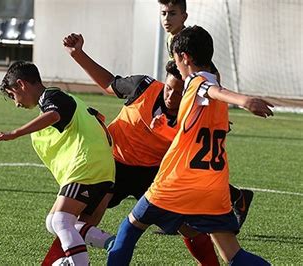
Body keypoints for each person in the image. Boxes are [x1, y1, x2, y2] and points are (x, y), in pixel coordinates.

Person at [107, 25, 273, 265]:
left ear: (184, 57)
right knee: (233, 255)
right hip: (213, 185)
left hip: (178, 182)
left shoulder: (197, 83)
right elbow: (193, 130)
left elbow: (211, 89)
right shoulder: (210, 90)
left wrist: (245, 100)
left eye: (177, 59)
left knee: (130, 227)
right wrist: (163, 127)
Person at [64, 32, 219, 265]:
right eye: (169, 89)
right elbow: (109, 83)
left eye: (179, 93)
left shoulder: (192, 112)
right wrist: (78, 54)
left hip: (152, 173)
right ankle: (65, 260)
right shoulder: (143, 87)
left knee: (188, 226)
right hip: (111, 164)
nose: (171, 96)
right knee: (76, 220)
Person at [0, 61, 116, 265]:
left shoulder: (52, 96)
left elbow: (53, 115)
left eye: (13, 95)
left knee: (61, 220)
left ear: (21, 85)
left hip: (88, 166)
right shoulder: (62, 100)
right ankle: (111, 242)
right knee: (53, 222)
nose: (16, 103)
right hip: (99, 168)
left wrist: (14, 133)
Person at [159, 0, 252, 227]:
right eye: (163, 13)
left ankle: (181, 216)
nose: (166, 19)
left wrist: (218, 112)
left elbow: (211, 77)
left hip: (199, 112)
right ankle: (184, 215)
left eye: (172, 14)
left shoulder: (191, 42)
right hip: (186, 108)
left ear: (184, 16)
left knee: (188, 162)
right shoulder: (173, 40)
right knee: (183, 161)